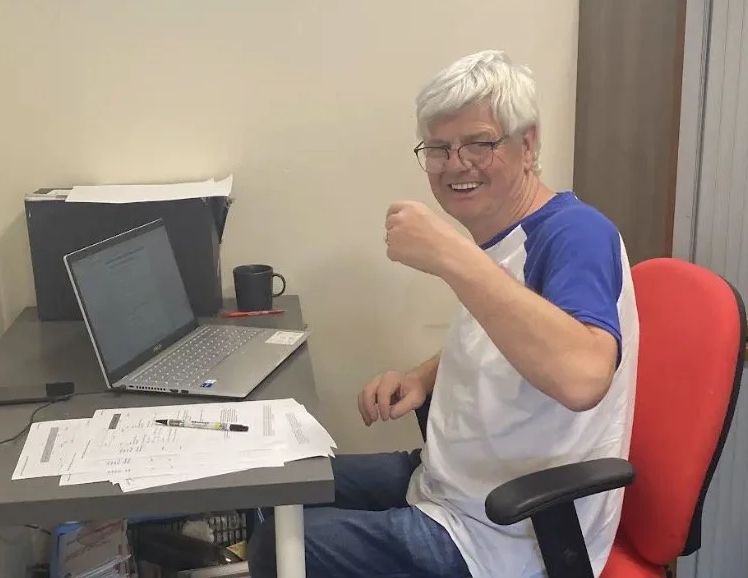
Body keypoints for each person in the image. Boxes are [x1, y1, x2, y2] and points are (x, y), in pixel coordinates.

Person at [247, 50, 639, 578]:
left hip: (505, 536)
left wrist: (452, 256)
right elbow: (510, 328)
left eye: (479, 143)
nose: (456, 164)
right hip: (447, 482)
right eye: (439, 148)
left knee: (282, 546)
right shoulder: (502, 240)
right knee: (273, 487)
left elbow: (583, 375)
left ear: (528, 144)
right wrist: (423, 375)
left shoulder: (576, 234)